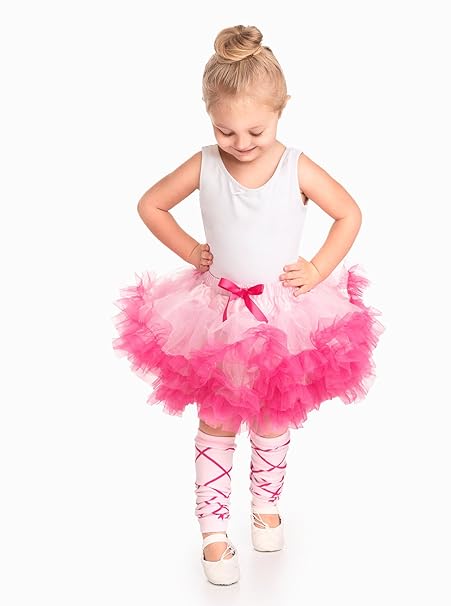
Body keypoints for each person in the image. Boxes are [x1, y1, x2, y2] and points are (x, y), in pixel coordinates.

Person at [112, 24, 384, 585]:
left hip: (281, 317)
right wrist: (191, 250)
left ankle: (266, 507)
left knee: (271, 414)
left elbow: (349, 213)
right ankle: (213, 532)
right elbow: (151, 204)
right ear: (209, 118)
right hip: (216, 316)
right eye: (225, 130)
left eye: (255, 130)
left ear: (280, 110)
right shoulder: (205, 163)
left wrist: (317, 269)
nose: (240, 143)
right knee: (216, 419)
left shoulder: (296, 166)